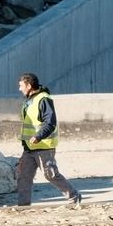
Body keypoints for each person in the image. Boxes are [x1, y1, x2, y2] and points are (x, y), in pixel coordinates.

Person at [14, 73, 82, 208]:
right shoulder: (29, 100)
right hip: (29, 148)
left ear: (29, 85)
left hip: (44, 146)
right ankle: (23, 206)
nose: (19, 89)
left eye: (21, 86)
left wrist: (38, 136)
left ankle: (74, 197)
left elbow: (50, 122)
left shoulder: (43, 99)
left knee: (50, 175)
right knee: (23, 177)